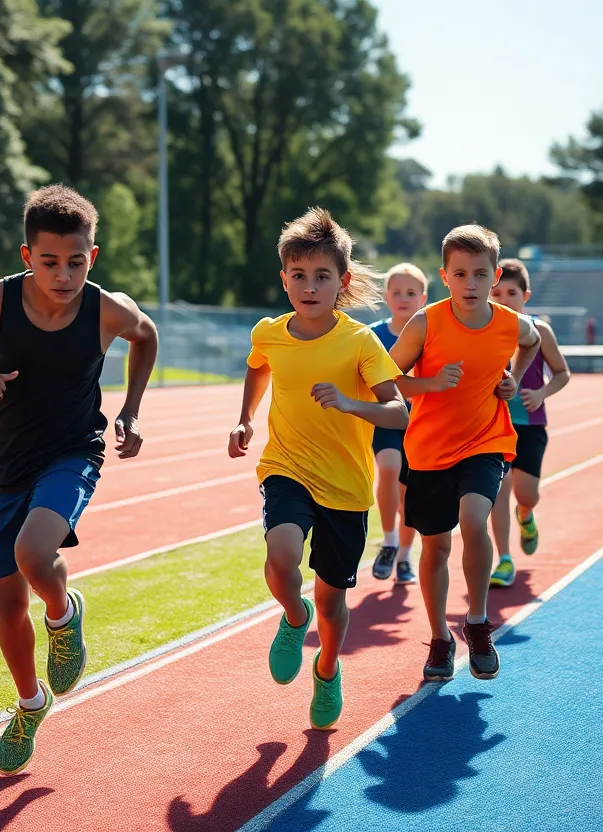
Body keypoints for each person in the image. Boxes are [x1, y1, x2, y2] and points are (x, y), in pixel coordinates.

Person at [0, 184, 158, 775]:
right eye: (50, 262)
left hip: (73, 451)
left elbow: (146, 335)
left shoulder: (107, 308)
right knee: (6, 602)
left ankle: (62, 614)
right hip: (3, 459)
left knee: (35, 552)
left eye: (76, 262)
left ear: (92, 257)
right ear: (26, 256)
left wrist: (129, 410)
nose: (63, 275)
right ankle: (30, 703)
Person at [228, 207, 407, 730]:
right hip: (287, 465)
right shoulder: (269, 332)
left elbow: (398, 410)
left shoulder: (360, 341)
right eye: (299, 275)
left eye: (322, 276)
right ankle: (292, 615)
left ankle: (327, 670)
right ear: (284, 279)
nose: (309, 286)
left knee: (332, 601)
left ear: (342, 281)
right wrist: (244, 419)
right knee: (281, 555)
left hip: (347, 487)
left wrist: (353, 406)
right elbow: (258, 369)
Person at [389, 225, 541, 682]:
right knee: (435, 546)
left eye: (480, 274)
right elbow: (388, 376)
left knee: (475, 520)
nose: (471, 283)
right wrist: (429, 384)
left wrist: (513, 378)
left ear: (495, 277)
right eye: (461, 274)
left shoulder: (510, 323)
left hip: (486, 440)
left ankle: (476, 622)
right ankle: (439, 637)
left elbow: (531, 342)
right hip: (429, 449)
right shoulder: (426, 322)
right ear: (445, 276)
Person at [487, 259, 571, 587]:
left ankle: (526, 515)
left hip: (531, 425)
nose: (504, 299)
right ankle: (504, 559)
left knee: (526, 494)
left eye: (511, 293)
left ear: (526, 295)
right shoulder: (481, 330)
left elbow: (562, 372)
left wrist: (543, 391)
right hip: (493, 426)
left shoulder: (541, 330)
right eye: (497, 293)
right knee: (497, 493)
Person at [368, 262, 428, 585]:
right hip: (388, 418)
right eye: (396, 292)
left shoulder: (430, 333)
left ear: (423, 297)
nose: (403, 298)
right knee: (388, 467)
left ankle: (405, 555)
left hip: (420, 421)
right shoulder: (374, 335)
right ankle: (389, 541)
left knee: (411, 494)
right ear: (386, 296)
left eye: (411, 292)